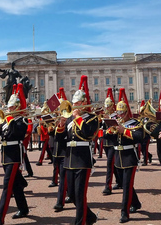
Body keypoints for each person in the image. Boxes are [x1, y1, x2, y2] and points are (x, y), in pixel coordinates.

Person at [55, 75, 98, 225]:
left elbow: (88, 134)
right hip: (69, 159)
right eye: (73, 103)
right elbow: (60, 141)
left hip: (82, 159)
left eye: (77, 103)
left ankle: (80, 222)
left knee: (80, 194)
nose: (74, 106)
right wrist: (60, 127)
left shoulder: (92, 118)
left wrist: (78, 118)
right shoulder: (68, 119)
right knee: (72, 195)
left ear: (84, 103)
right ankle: (90, 217)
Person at [0, 83, 29, 225]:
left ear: (18, 107)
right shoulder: (7, 121)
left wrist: (9, 120)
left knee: (7, 186)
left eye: (12, 107)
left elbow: (16, 134)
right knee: (15, 185)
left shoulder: (21, 120)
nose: (9, 109)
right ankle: (23, 208)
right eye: (9, 107)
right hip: (5, 155)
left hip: (14, 156)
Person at [109, 88, 143, 223]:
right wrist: (110, 132)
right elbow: (110, 139)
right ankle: (136, 203)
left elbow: (139, 137)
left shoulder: (135, 123)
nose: (120, 115)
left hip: (129, 156)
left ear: (127, 112)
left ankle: (125, 212)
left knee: (127, 185)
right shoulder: (117, 123)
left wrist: (124, 131)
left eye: (122, 112)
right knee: (124, 184)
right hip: (118, 157)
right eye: (119, 112)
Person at [101, 88, 122, 195]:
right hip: (106, 142)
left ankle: (107, 186)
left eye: (108, 106)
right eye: (106, 106)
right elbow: (101, 129)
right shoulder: (104, 115)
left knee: (109, 164)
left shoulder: (115, 116)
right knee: (114, 165)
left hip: (113, 143)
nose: (107, 108)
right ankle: (119, 181)